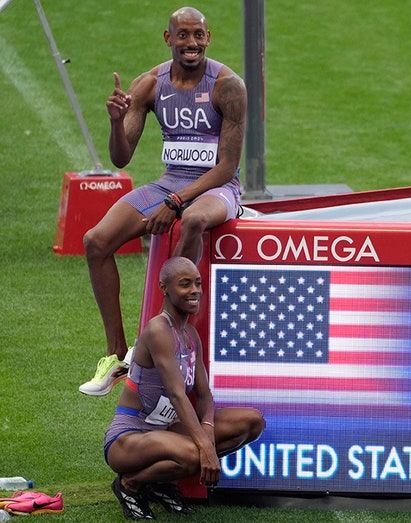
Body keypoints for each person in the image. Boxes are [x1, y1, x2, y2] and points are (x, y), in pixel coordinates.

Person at [80, 6, 246, 397]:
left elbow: (226, 168)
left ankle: (155, 332)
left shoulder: (228, 86)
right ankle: (116, 353)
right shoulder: (149, 85)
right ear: (168, 38)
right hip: (169, 183)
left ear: (208, 38)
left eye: (199, 36)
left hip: (216, 189)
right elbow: (121, 158)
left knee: (192, 221)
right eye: (183, 35)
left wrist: (176, 201)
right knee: (95, 241)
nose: (192, 44)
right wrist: (116, 122)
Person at [104, 257, 265, 520]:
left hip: (166, 430)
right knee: (194, 454)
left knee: (251, 422)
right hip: (129, 437)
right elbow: (179, 395)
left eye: (198, 284)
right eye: (185, 284)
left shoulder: (189, 335)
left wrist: (208, 431)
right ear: (164, 288)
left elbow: (204, 396)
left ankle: (160, 483)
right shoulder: (158, 329)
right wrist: (205, 446)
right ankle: (129, 485)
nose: (194, 290)